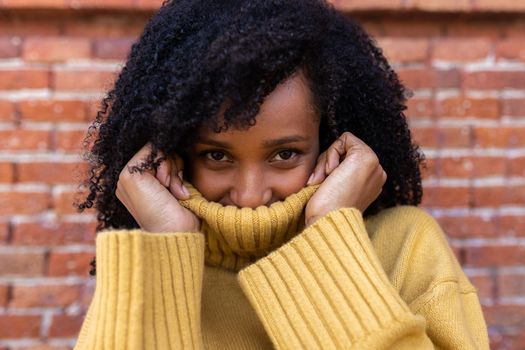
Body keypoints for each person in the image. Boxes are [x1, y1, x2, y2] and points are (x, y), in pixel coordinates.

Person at [74, 0, 490, 348]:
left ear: (330, 140)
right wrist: (164, 247)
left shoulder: (405, 247)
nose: (252, 195)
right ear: (174, 151)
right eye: (217, 156)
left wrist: (331, 238)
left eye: (285, 154)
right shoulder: (155, 260)